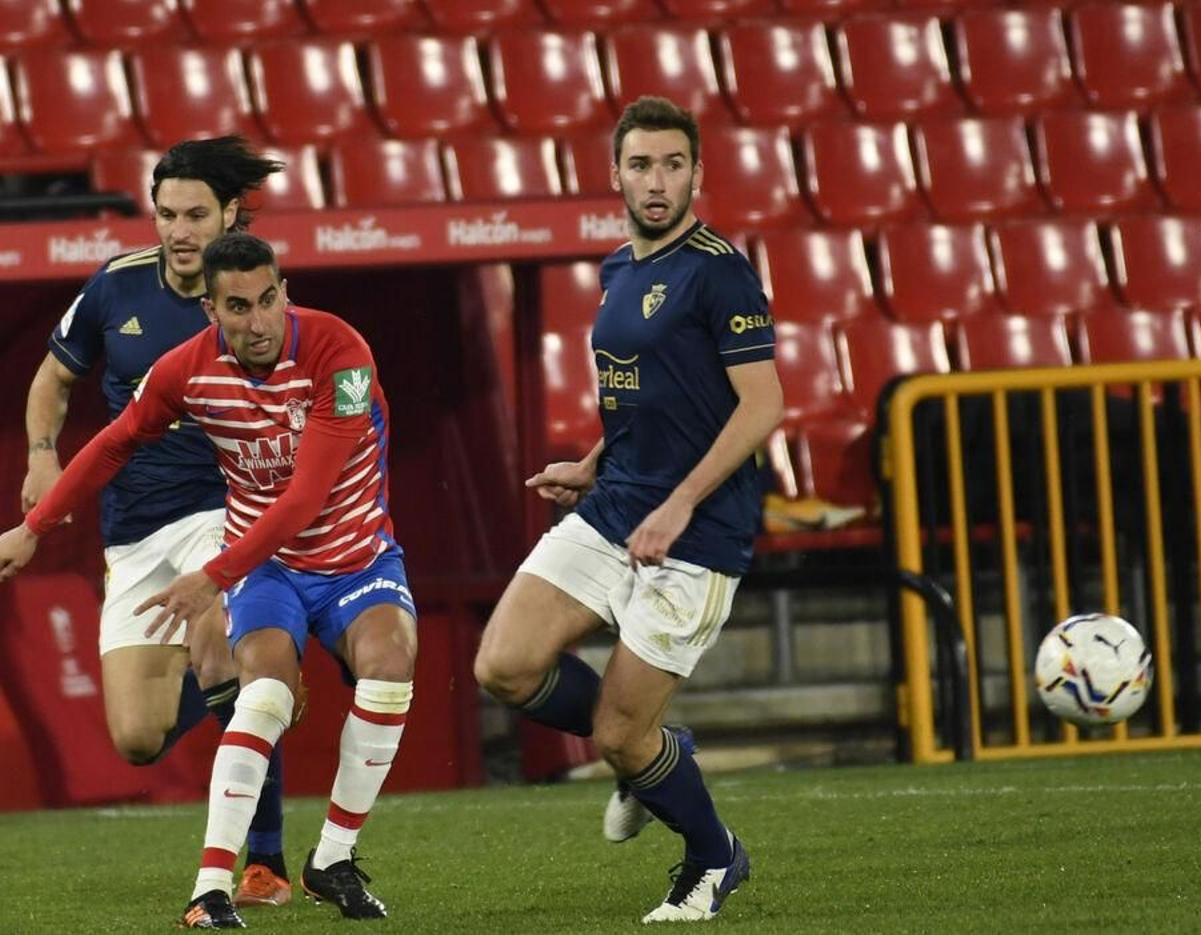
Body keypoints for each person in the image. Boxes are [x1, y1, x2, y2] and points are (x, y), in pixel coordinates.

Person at [0, 233, 418, 929]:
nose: (257, 321)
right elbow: (114, 442)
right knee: (262, 696)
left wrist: (209, 576)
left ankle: (333, 858)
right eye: (237, 306)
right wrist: (36, 526)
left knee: (389, 668)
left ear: (284, 290)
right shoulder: (184, 370)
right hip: (269, 567)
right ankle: (211, 889)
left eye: (267, 299)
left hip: (356, 558)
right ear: (209, 310)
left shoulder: (339, 352)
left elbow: (305, 497)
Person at [473, 95, 782, 924]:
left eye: (673, 164)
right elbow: (648, 399)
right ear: (615, 174)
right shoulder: (618, 269)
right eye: (641, 164)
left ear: (696, 174)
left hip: (699, 530)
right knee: (502, 664)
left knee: (616, 733)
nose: (657, 180)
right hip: (615, 506)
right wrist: (591, 461)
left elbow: (760, 405)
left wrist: (681, 503)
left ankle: (713, 856)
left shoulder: (720, 270)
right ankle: (656, 757)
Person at [18, 136, 297, 907]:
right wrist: (43, 452)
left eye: (195, 214)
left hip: (224, 510)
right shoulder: (115, 286)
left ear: (229, 213)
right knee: (137, 738)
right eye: (167, 213)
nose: (177, 230)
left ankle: (265, 861)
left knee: (217, 647)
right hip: (133, 531)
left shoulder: (250, 298)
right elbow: (53, 378)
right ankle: (265, 689)